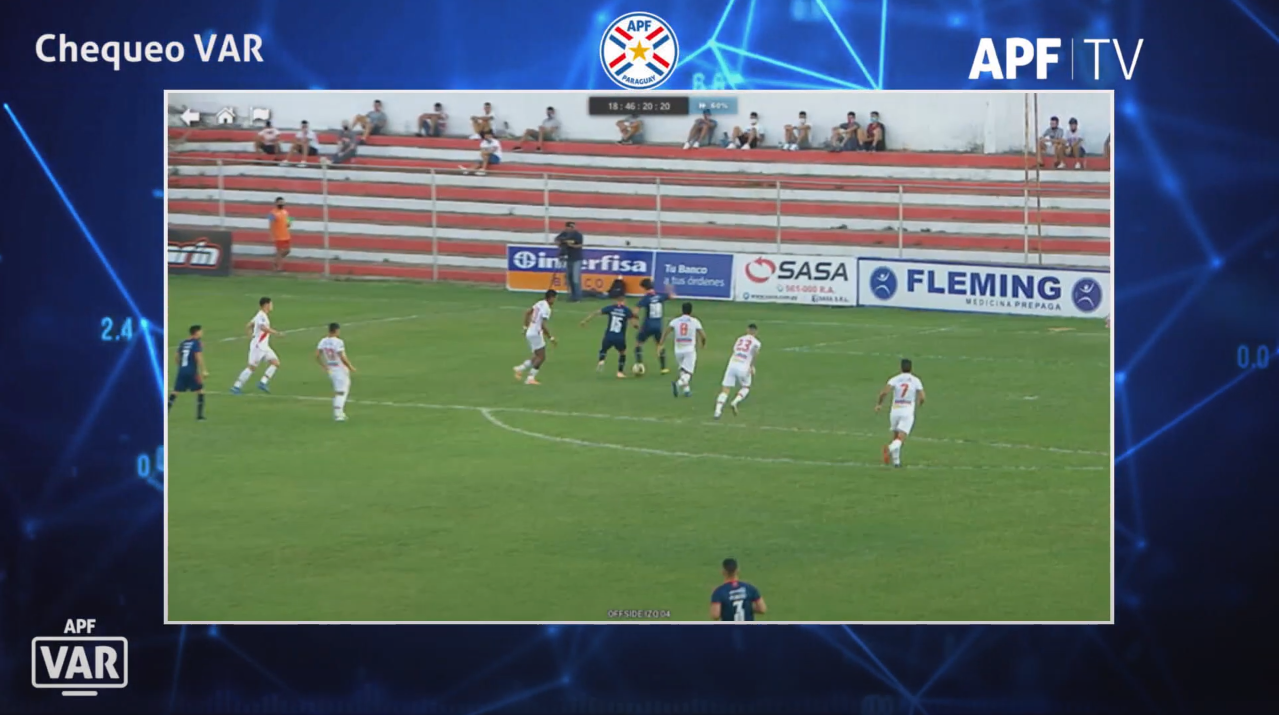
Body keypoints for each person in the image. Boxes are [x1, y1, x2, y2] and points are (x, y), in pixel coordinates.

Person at [875, 358, 926, 468]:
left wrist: (879, 404)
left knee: (895, 436)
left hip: (895, 411)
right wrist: (920, 403)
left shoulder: (895, 379)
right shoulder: (915, 380)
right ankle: (889, 449)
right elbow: (922, 397)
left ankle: (896, 462)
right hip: (907, 411)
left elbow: (884, 392)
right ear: (911, 368)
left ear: (901, 367)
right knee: (901, 438)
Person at [231, 297, 284, 394]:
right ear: (266, 305)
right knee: (252, 367)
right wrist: (276, 333)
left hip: (264, 346)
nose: (272, 306)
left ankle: (263, 382)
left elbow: (249, 325)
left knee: (275, 362)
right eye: (271, 304)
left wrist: (250, 335)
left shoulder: (260, 315)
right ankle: (236, 386)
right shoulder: (261, 316)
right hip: (258, 347)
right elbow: (263, 327)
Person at [580, 296, 637, 378]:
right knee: (622, 353)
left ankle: (601, 360)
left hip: (609, 335)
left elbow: (596, 312)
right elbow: (634, 323)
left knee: (604, 349)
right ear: (623, 301)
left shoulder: (611, 308)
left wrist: (585, 320)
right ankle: (620, 372)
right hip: (619, 337)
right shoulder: (626, 310)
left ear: (616, 301)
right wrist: (637, 326)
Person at [659, 302, 706, 397]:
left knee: (682, 370)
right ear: (691, 311)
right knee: (688, 372)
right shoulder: (694, 321)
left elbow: (666, 331)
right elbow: (703, 335)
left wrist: (661, 343)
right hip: (689, 350)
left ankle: (686, 390)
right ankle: (678, 384)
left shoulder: (675, 321)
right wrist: (703, 344)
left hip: (678, 350)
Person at [715, 324, 761, 419]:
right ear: (756, 332)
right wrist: (752, 366)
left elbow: (735, 350)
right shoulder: (756, 342)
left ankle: (717, 410)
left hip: (732, 364)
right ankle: (735, 401)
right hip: (744, 367)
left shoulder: (740, 339)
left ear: (747, 330)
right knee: (746, 386)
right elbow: (755, 353)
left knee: (725, 389)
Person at [514, 289, 557, 385]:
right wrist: (551, 338)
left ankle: (520, 368)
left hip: (530, 332)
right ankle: (530, 378)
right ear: (551, 298)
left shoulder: (540, 303)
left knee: (537, 355)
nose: (554, 301)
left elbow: (527, 313)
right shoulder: (546, 309)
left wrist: (525, 327)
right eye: (554, 298)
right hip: (536, 333)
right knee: (541, 357)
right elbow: (542, 325)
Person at [316, 322, 356, 422]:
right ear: (337, 330)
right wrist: (350, 366)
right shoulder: (338, 342)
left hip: (331, 369)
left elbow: (317, 355)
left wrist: (324, 366)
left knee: (339, 390)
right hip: (340, 369)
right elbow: (342, 356)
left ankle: (340, 412)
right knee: (341, 392)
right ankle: (338, 414)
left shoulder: (323, 341)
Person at [169, 324, 208, 420]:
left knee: (175, 392)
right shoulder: (196, 343)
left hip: (181, 371)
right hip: (192, 372)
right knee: (200, 391)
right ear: (196, 332)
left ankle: (165, 413)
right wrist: (203, 370)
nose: (202, 333)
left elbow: (176, 356)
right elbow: (198, 357)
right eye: (201, 331)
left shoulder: (183, 342)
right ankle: (199, 416)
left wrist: (181, 366)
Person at [634, 278, 673, 374]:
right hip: (658, 325)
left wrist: (635, 321)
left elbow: (635, 310)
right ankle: (663, 368)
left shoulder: (646, 298)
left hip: (648, 325)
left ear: (644, 288)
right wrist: (668, 288)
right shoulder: (660, 296)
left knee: (638, 343)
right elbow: (672, 296)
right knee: (659, 345)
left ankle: (639, 364)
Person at [554, 221, 584, 302]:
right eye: (571, 227)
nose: (572, 228)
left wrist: (571, 245)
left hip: (577, 258)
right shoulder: (564, 234)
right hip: (568, 258)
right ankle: (571, 296)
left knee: (575, 279)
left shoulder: (578, 235)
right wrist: (561, 243)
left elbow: (580, 245)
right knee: (569, 278)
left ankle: (577, 297)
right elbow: (556, 240)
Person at [267, 196, 292, 271]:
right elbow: (270, 224)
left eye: (283, 203)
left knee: (287, 251)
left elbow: (289, 221)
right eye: (280, 202)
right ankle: (278, 267)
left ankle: (275, 261)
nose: (281, 204)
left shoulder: (286, 212)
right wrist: (271, 235)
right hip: (278, 236)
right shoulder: (272, 213)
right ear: (276, 203)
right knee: (279, 251)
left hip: (286, 235)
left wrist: (289, 222)